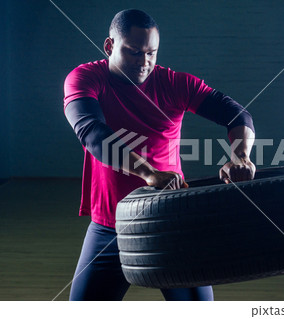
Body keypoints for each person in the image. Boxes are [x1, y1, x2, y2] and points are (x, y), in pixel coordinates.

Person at [63, 9, 256, 301]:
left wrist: (241, 155)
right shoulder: (86, 78)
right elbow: (93, 134)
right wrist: (149, 174)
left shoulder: (175, 84)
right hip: (110, 227)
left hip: (169, 221)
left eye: (151, 53)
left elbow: (236, 114)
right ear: (109, 46)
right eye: (134, 52)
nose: (144, 62)